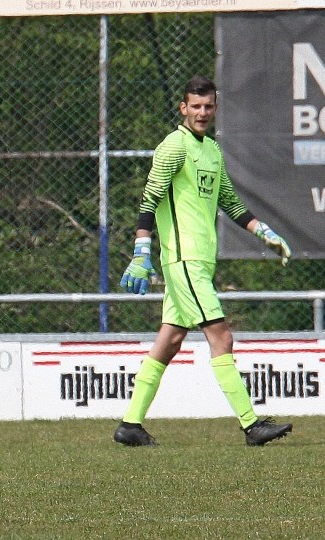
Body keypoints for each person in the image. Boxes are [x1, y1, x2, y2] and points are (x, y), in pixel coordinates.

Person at [116, 75, 293, 448]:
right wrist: (140, 253)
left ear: (215, 107)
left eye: (208, 106)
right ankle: (251, 425)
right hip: (184, 262)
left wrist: (265, 233)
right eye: (194, 106)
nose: (201, 112)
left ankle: (130, 425)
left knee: (171, 339)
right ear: (183, 108)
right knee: (221, 337)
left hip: (198, 262)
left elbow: (229, 202)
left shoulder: (211, 149)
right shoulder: (172, 147)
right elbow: (149, 200)